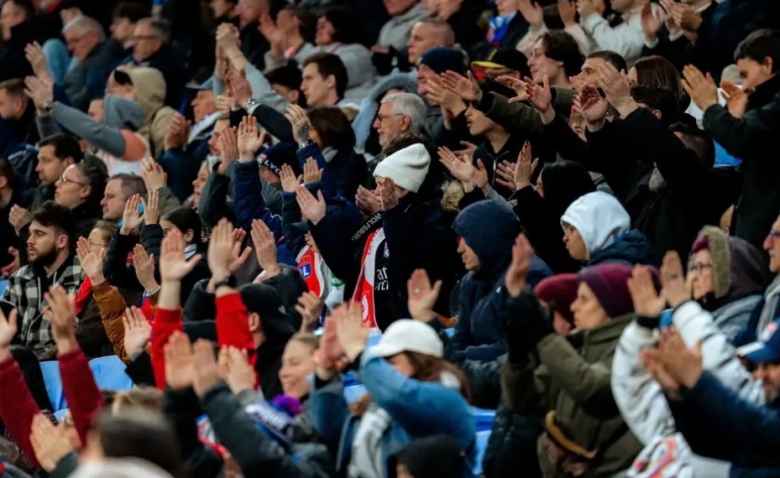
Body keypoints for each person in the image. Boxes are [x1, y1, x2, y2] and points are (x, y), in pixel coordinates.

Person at [0, 201, 82, 357]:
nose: (30, 241)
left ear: (62, 241)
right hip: (24, 362)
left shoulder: (83, 275)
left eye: (39, 234)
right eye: (30, 233)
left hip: (64, 358)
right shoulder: (20, 277)